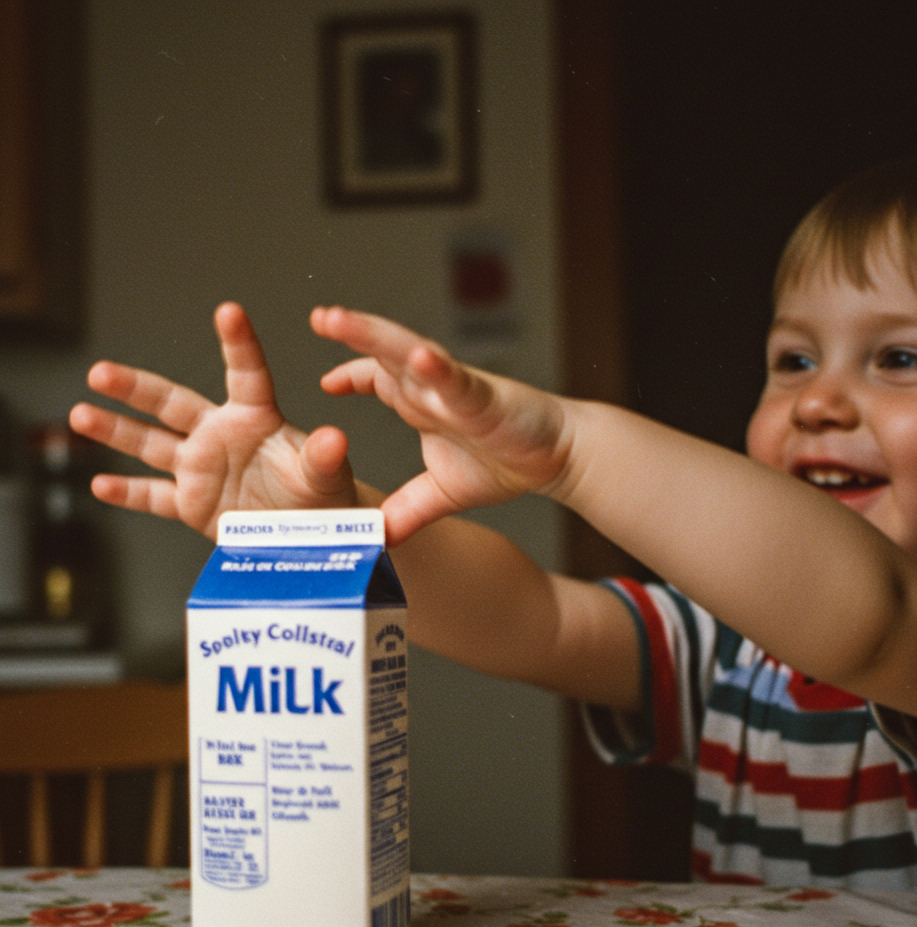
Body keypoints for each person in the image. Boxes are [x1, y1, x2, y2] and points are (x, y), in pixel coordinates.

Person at [70, 160, 917, 888]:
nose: (817, 402)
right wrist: (334, 521)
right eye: (794, 360)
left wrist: (571, 450)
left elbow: (869, 618)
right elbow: (535, 619)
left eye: (900, 358)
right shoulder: (730, 642)